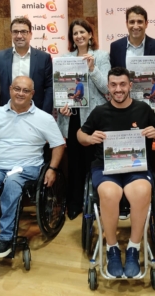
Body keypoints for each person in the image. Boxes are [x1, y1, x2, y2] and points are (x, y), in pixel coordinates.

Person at [0, 76, 65, 258]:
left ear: (33, 94)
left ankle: (6, 238)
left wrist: (52, 169)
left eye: (25, 90)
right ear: (10, 89)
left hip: (28, 168)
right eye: (17, 89)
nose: (20, 93)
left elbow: (59, 144)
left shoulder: (44, 118)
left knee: (13, 182)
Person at [77, 67, 155, 278]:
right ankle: (112, 249)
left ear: (130, 86)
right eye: (114, 85)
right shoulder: (99, 111)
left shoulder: (143, 109)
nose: (118, 89)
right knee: (108, 194)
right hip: (106, 168)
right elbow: (81, 134)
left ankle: (133, 248)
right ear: (108, 87)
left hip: (135, 168)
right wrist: (89, 139)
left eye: (122, 84)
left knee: (143, 190)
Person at [57, 19, 110, 220]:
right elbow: (60, 88)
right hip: (71, 116)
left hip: (93, 117)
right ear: (72, 38)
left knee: (93, 161)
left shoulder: (101, 56)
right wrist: (60, 106)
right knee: (74, 162)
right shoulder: (64, 58)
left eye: (82, 32)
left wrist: (92, 68)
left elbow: (107, 87)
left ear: (90, 34)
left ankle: (95, 202)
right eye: (75, 33)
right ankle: (75, 202)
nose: (79, 36)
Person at [0, 17, 53, 113]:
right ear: (11, 34)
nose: (19, 36)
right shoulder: (0, 57)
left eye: (23, 32)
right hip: (7, 112)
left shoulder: (43, 58)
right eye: (15, 32)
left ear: (30, 34)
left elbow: (49, 87)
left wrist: (44, 113)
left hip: (35, 112)